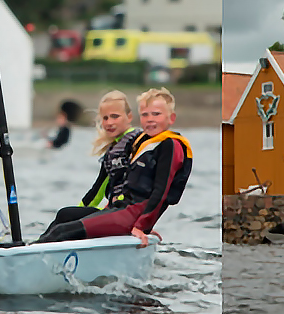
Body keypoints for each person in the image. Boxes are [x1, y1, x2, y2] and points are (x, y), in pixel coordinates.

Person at [33, 88, 191, 247]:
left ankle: (29, 253)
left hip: (130, 215)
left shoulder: (167, 144)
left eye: (156, 114)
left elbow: (161, 192)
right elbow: (102, 188)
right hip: (120, 211)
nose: (150, 119)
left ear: (171, 118)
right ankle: (27, 249)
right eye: (145, 115)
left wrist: (142, 226)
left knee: (62, 231)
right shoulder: (143, 144)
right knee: (65, 216)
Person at [42, 92, 143, 235]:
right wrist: (79, 211)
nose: (109, 122)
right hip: (113, 212)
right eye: (105, 118)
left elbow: (147, 184)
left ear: (129, 117)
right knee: (65, 215)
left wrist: (143, 223)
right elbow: (97, 191)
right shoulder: (113, 149)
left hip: (127, 215)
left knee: (62, 231)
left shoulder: (137, 142)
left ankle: (38, 249)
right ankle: (33, 247)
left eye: (115, 116)